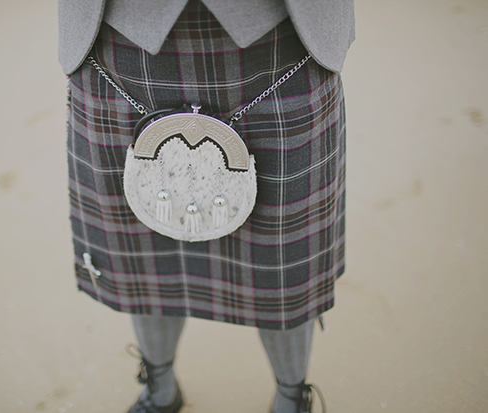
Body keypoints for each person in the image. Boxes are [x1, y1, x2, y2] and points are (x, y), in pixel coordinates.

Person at [58, 1, 354, 412]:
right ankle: (159, 387)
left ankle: (291, 395)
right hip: (118, 41)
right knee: (144, 259)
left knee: (285, 269)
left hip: (283, 39)